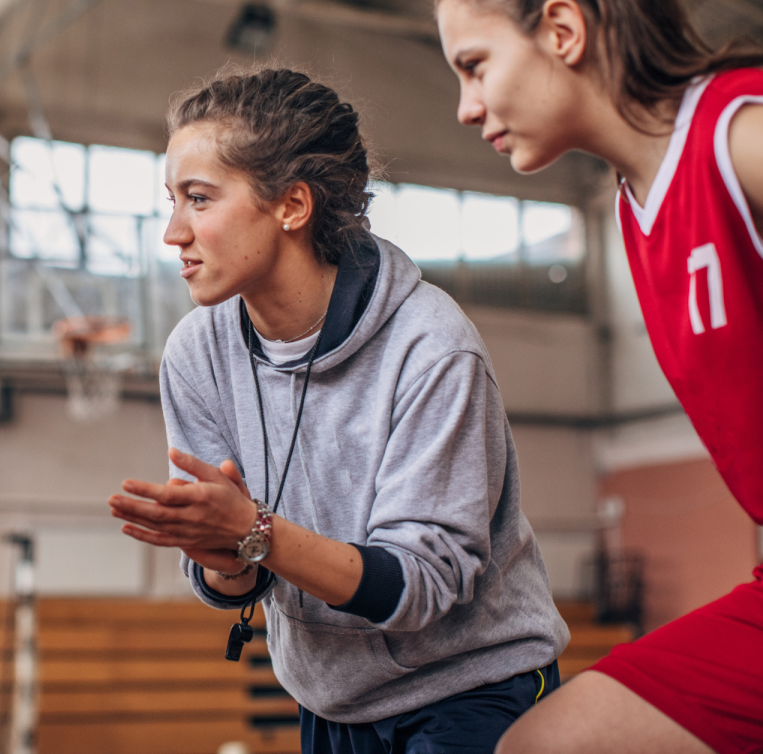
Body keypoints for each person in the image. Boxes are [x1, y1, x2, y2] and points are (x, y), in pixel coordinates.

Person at [109, 68, 569, 754]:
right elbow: (236, 578)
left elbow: (420, 586)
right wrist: (223, 554)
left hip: (470, 692)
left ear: (292, 205)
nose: (174, 231)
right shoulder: (195, 352)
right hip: (328, 702)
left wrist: (255, 531)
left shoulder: (432, 347)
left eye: (199, 199)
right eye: (172, 200)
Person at [434, 0, 763, 752]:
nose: (466, 108)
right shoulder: (633, 208)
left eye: (475, 67)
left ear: (563, 29)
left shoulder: (741, 138)